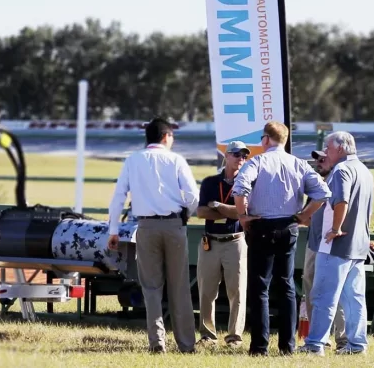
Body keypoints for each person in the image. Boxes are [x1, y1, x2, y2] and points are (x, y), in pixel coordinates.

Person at [232, 121, 331, 356]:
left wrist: (243, 216)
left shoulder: (258, 161)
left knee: (259, 287)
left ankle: (259, 347)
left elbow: (240, 188)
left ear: (266, 139)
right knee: (286, 284)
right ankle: (288, 345)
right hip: (288, 225)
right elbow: (323, 193)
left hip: (262, 226)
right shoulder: (298, 163)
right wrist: (304, 215)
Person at [107, 117, 199, 354]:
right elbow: (192, 196)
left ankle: (157, 342)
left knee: (151, 287)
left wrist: (114, 230)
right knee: (179, 287)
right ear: (166, 136)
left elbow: (118, 197)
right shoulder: (176, 160)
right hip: (174, 225)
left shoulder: (133, 160)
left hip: (145, 227)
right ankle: (186, 344)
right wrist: (185, 215)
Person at [299, 131, 374, 356]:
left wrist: (334, 228)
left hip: (335, 244)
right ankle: (356, 344)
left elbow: (341, 200)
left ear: (340, 149)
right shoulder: (364, 170)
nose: (326, 153)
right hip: (357, 246)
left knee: (323, 296)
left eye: (328, 148)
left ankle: (314, 344)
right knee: (354, 299)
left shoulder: (341, 170)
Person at [195, 140, 249, 348]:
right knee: (207, 290)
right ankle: (208, 335)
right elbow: (201, 212)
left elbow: (240, 213)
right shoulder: (210, 182)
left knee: (237, 291)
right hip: (211, 241)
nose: (241, 159)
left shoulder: (246, 182)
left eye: (244, 156)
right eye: (237, 154)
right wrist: (229, 210)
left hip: (235, 241)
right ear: (226, 156)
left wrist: (217, 205)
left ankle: (234, 336)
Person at [301, 148, 347, 350]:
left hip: (334, 244)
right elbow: (307, 218)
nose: (318, 162)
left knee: (338, 292)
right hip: (314, 245)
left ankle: (343, 338)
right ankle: (318, 336)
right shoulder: (315, 188)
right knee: (311, 289)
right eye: (316, 160)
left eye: (322, 159)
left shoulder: (340, 182)